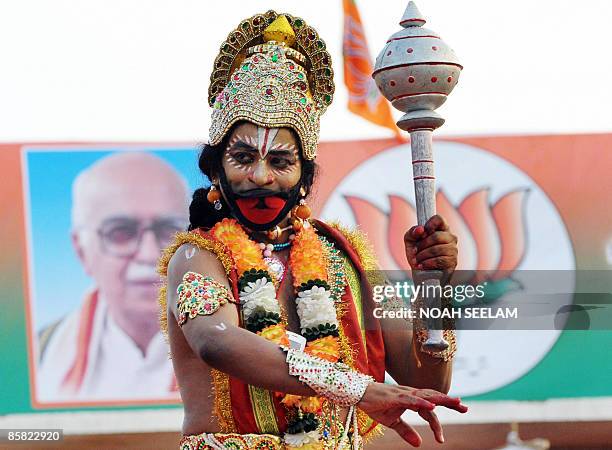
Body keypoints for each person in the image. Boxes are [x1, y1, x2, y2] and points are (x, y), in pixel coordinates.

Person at [158, 12, 466, 450]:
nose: (261, 176)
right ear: (216, 169)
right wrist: (358, 389)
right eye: (243, 158)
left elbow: (424, 378)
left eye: (280, 161)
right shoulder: (198, 255)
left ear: (304, 176)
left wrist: (433, 285)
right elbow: (216, 341)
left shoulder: (344, 258)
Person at [37, 152, 189, 401]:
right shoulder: (40, 354)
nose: (150, 254)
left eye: (168, 231)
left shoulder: (229, 346)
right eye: (121, 233)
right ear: (81, 250)